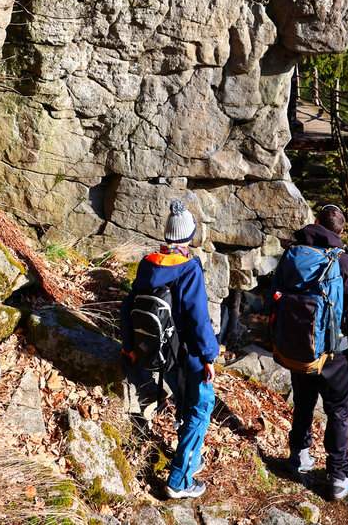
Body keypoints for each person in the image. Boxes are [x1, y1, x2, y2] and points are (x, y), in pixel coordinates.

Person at [120, 199, 219, 500]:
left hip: (161, 353)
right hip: (187, 352)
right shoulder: (189, 268)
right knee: (201, 408)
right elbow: (197, 316)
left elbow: (128, 306)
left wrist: (129, 346)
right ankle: (180, 479)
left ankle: (189, 457)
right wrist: (209, 356)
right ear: (189, 236)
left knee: (186, 403)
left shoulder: (148, 263)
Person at [285, 203, 348, 500]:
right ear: (340, 230)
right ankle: (338, 475)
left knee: (303, 402)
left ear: (315, 222)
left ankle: (298, 456)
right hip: (334, 352)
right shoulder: (342, 261)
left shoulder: (294, 253)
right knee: (337, 411)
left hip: (298, 347)